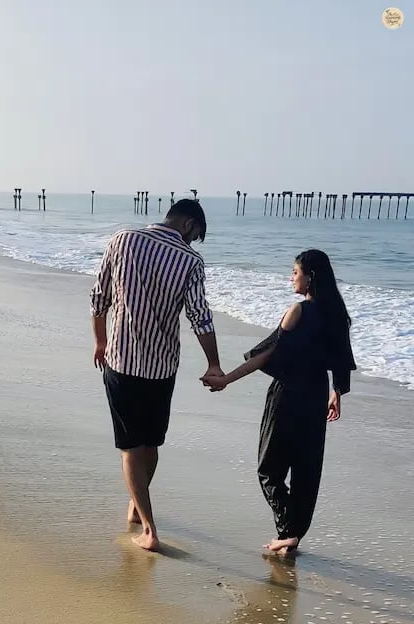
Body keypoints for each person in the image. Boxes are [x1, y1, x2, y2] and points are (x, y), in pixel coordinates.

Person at [203, 249, 356, 557]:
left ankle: (288, 533)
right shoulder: (338, 314)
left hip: (287, 396)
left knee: (269, 469)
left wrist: (227, 379)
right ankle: (292, 534)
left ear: (310, 277)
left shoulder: (299, 311)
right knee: (305, 468)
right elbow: (341, 357)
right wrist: (336, 392)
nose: (291, 277)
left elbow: (267, 353)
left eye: (295, 272)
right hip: (315, 396)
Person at [91, 199, 222, 552]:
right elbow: (200, 316)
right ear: (191, 225)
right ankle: (139, 509)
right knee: (150, 443)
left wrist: (100, 341)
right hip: (162, 368)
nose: (194, 243)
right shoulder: (191, 261)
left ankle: (147, 527)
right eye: (197, 236)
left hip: (121, 360)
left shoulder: (122, 240)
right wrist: (214, 363)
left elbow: (99, 296)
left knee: (130, 446)